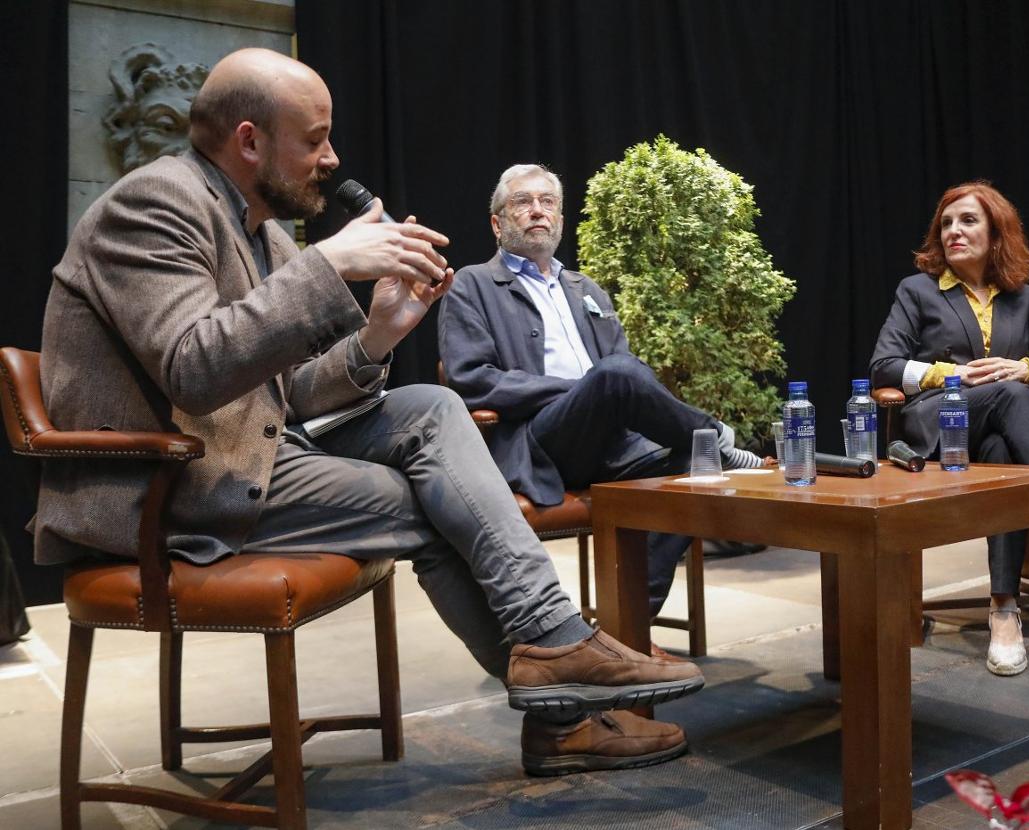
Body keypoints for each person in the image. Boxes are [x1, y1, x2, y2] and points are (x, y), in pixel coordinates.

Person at [37, 48, 702, 776]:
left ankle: (557, 660)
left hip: (248, 455)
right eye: (314, 139)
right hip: (164, 488)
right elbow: (195, 369)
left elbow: (289, 391)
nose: (332, 157)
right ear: (250, 140)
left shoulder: (262, 232)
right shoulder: (154, 204)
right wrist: (329, 266)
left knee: (429, 405)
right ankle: (562, 696)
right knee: (429, 500)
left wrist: (380, 330)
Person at [438, 164, 768, 621]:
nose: (537, 211)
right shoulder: (471, 286)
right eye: (522, 202)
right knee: (614, 376)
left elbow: (630, 375)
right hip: (541, 443)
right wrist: (581, 389)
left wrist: (604, 388)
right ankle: (716, 435)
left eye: (547, 202)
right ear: (498, 223)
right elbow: (472, 379)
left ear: (559, 218)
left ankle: (626, 627)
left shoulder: (585, 288)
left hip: (611, 440)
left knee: (695, 463)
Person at [869, 181, 1029, 677]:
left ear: (996, 231)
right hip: (938, 423)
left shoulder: (1022, 298)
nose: (954, 231)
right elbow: (884, 367)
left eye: (968, 221)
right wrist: (950, 374)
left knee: (1005, 440)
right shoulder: (917, 292)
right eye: (947, 223)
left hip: (1004, 434)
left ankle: (1004, 611)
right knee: (1010, 395)